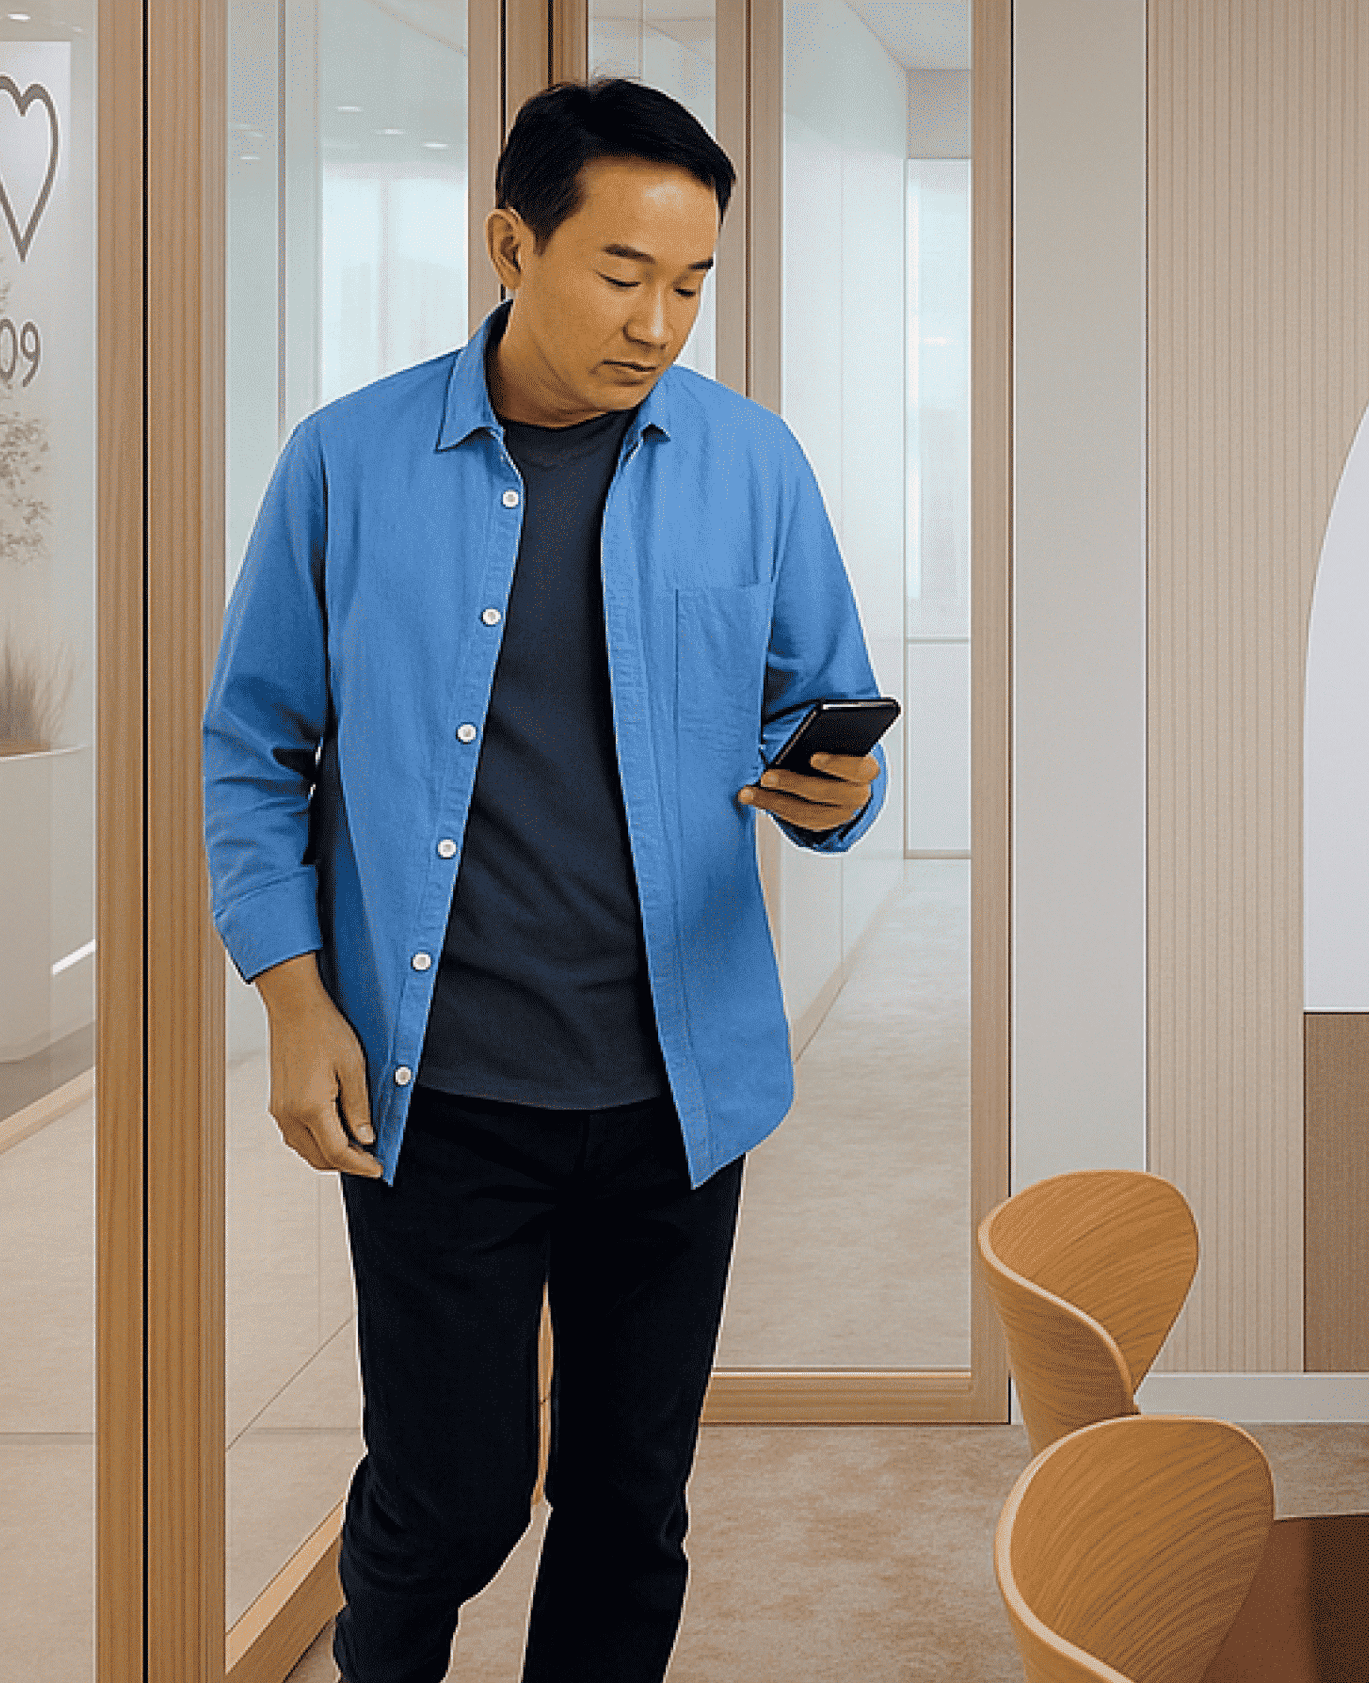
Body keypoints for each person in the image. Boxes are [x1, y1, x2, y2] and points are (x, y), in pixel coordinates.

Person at [200, 77, 887, 1683]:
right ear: (512, 243)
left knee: (630, 1500)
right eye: (624, 273)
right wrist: (292, 996)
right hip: (442, 1092)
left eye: (695, 283)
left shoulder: (754, 468)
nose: (662, 322)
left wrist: (836, 790)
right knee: (451, 1495)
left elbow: (827, 729)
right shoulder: (345, 464)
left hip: (675, 1092)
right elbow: (252, 750)